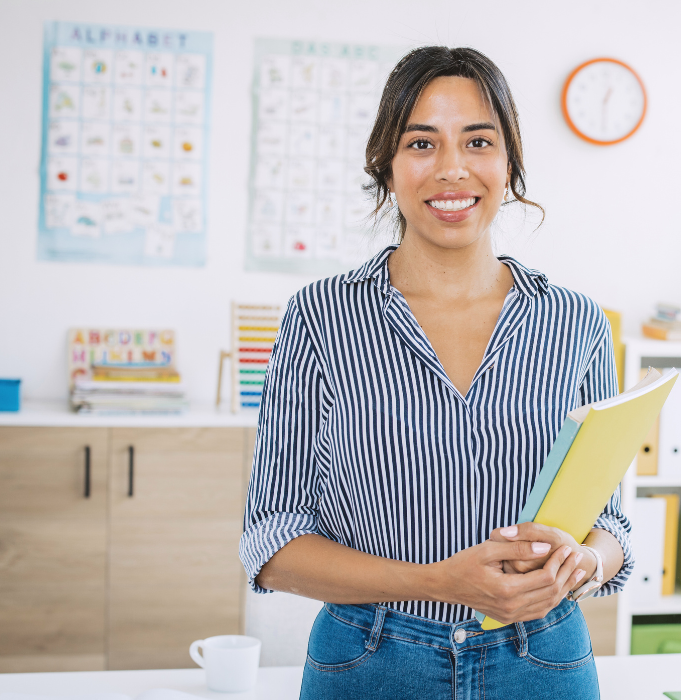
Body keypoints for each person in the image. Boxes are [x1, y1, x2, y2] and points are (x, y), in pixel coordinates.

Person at [240, 46, 633, 700]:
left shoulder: (577, 323)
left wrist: (584, 561)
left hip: (543, 658)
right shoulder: (320, 317)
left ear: (509, 165)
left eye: (478, 141)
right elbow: (273, 541)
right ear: (387, 168)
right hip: (371, 660)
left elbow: (611, 526)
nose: (452, 168)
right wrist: (435, 582)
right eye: (422, 143)